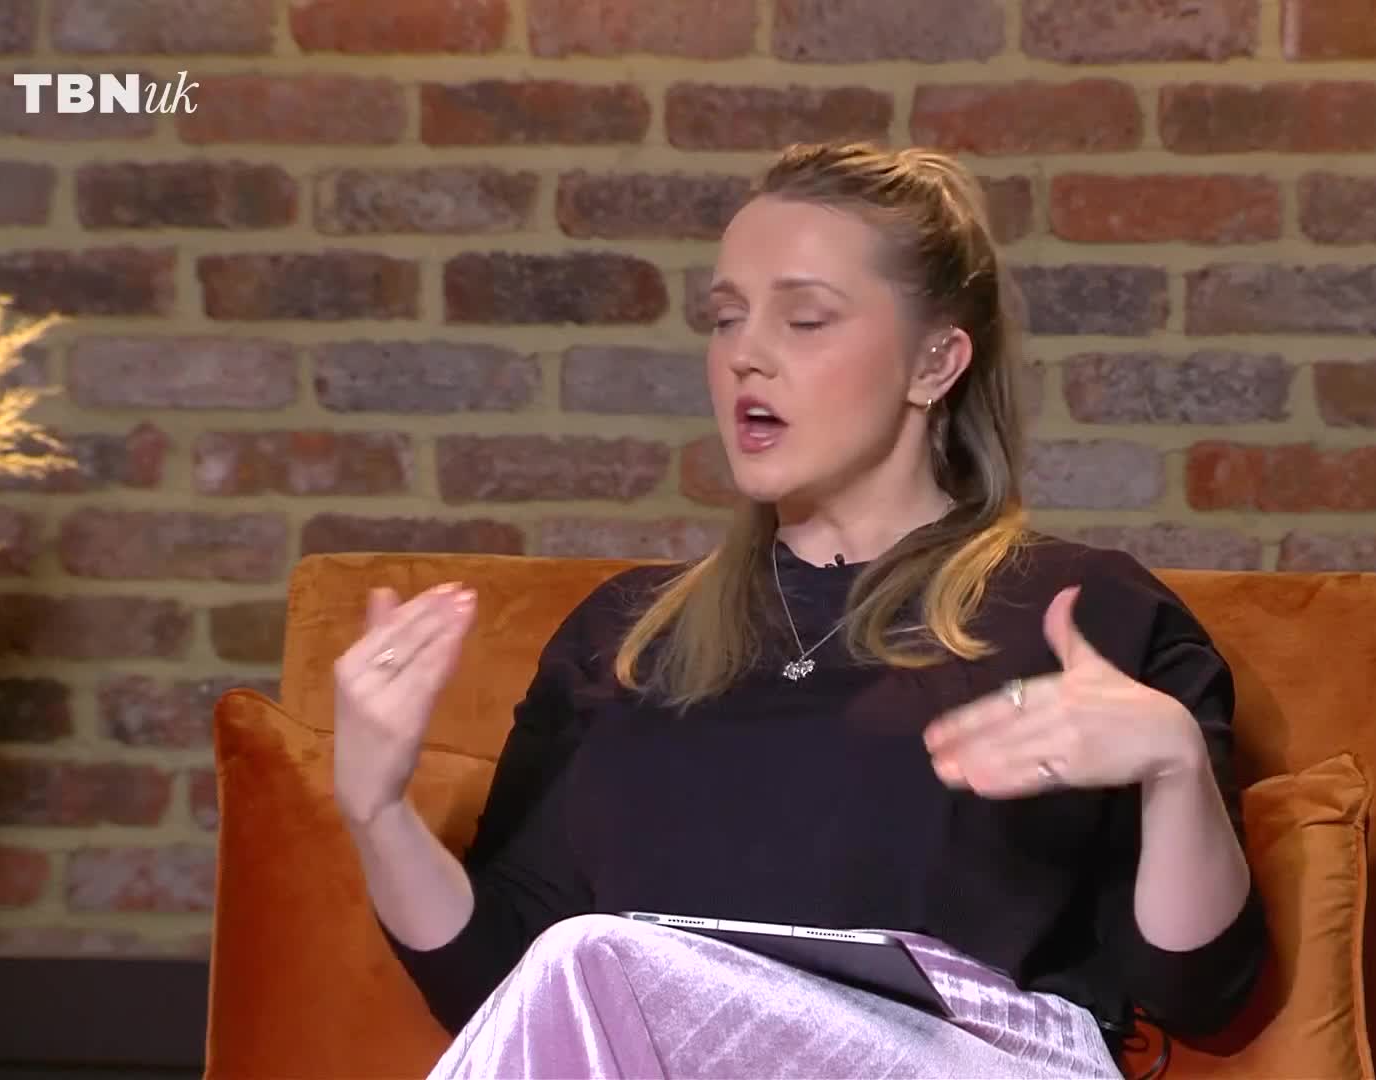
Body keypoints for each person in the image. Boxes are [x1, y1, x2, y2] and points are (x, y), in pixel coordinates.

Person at [330, 141, 1266, 1079]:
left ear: (935, 363)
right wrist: (378, 812)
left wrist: (1174, 766)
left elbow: (1204, 993)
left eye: (805, 320)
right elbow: (506, 995)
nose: (746, 355)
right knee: (576, 962)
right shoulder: (625, 638)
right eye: (726, 319)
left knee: (589, 957)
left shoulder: (1083, 613)